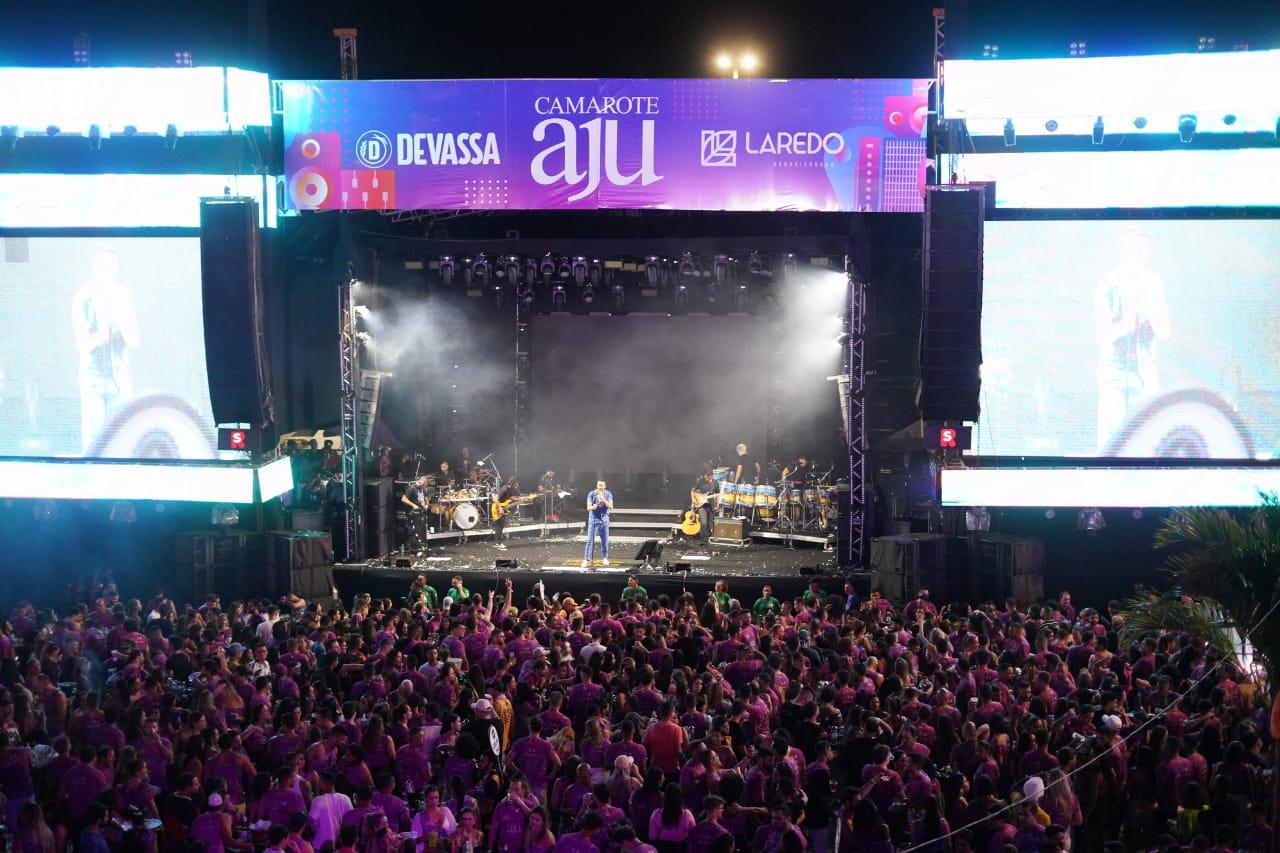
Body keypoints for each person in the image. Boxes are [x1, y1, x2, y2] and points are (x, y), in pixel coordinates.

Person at [1094, 225, 1170, 453]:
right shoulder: (1108, 284)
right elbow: (1103, 335)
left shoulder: (1154, 282)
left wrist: (1149, 308)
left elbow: (1165, 332)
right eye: (1132, 253)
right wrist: (1127, 323)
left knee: (1149, 438)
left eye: (1141, 254)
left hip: (1145, 373)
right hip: (1115, 374)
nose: (1137, 259)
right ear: (1123, 253)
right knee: (1114, 443)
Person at [71, 244, 140, 453]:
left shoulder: (123, 295)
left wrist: (120, 320)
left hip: (119, 379)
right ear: (94, 268)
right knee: (95, 446)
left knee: (124, 440)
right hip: (93, 380)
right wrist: (102, 333)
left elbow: (135, 342)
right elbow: (82, 344)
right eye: (103, 268)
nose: (106, 273)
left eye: (111, 269)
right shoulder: (83, 297)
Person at [582, 480, 613, 568]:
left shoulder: (608, 494)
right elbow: (588, 508)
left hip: (604, 519)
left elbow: (611, 507)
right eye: (599, 485)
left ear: (605, 486)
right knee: (590, 540)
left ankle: (605, 557)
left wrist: (604, 499)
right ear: (597, 485)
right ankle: (586, 559)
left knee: (604, 540)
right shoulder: (591, 494)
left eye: (602, 485)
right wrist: (593, 507)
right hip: (594, 519)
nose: (600, 487)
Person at [689, 468, 720, 542]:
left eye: (709, 476)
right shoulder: (700, 481)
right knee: (704, 523)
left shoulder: (715, 483)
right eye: (706, 476)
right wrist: (693, 499)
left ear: (711, 475)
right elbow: (692, 491)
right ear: (704, 475)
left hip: (711, 505)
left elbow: (718, 494)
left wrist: (717, 504)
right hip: (701, 505)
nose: (707, 478)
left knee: (710, 524)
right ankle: (703, 539)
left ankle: (708, 539)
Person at [493, 479, 520, 551]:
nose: (517, 486)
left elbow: (510, 498)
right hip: (497, 508)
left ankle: (497, 543)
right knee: (500, 525)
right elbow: (495, 498)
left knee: (499, 526)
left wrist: (520, 499)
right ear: (511, 484)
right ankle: (499, 544)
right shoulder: (504, 489)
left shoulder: (510, 489)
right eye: (515, 485)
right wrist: (500, 508)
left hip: (502, 507)